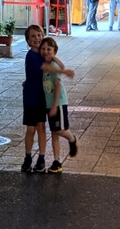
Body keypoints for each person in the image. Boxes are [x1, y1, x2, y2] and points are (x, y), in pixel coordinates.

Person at [21, 23, 74, 173]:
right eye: (33, 36)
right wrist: (65, 72)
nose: (37, 38)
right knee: (31, 129)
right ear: (28, 40)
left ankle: (41, 158)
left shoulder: (45, 56)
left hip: (42, 98)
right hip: (31, 98)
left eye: (39, 35)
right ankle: (28, 156)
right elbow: (43, 69)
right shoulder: (32, 55)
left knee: (41, 128)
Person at [40, 35, 79, 173]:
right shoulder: (46, 64)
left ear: (54, 51)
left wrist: (55, 105)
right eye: (43, 49)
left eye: (49, 49)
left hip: (58, 103)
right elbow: (57, 67)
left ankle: (72, 138)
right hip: (50, 104)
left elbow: (57, 86)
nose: (45, 51)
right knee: (54, 133)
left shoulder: (53, 65)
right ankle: (57, 161)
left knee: (58, 130)